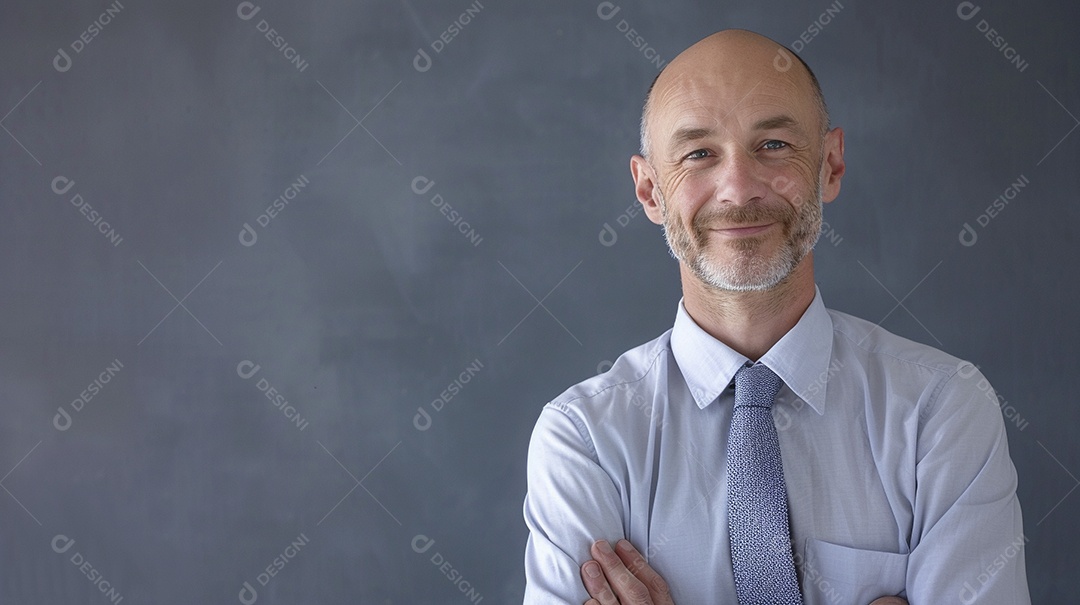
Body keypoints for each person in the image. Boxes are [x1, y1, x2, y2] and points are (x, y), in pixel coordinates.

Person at [522, 29, 1030, 605]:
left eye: (774, 146)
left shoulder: (942, 411)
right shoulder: (585, 438)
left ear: (831, 166)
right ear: (649, 190)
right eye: (698, 153)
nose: (738, 188)